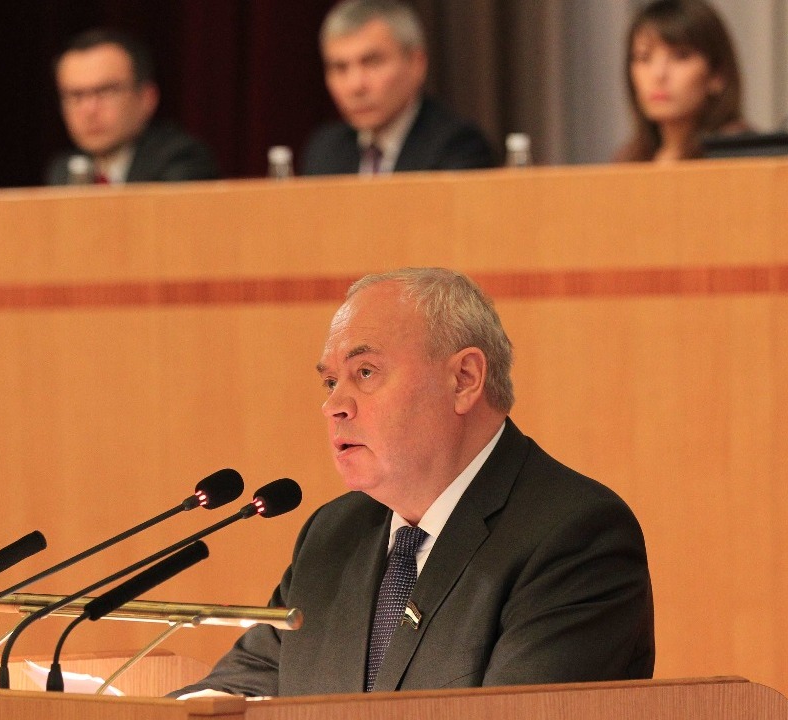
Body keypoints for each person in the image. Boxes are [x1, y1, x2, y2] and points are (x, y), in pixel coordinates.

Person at [172, 268, 654, 698]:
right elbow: (239, 686)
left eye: (365, 372)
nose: (334, 406)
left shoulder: (574, 536)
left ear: (464, 379)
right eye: (330, 382)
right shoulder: (333, 535)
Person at [302, 1, 496, 176]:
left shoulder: (458, 146)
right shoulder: (324, 149)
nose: (355, 85)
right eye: (339, 68)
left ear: (416, 64)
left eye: (372, 62)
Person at [46, 28, 218, 185]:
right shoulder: (63, 171)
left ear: (147, 98)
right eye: (76, 96)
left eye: (106, 91)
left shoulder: (181, 160)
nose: (89, 110)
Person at [614, 0, 748, 163]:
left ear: (716, 74)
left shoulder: (741, 154)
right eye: (644, 57)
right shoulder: (629, 160)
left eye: (680, 56)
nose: (658, 74)